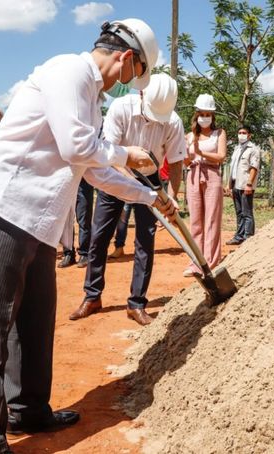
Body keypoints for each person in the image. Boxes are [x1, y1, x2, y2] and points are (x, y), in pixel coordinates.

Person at [0, 19, 178, 454]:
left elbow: (94, 170)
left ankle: (29, 409)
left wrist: (149, 197)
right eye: (138, 74)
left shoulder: (91, 98)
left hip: (37, 223)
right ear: (126, 58)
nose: (134, 83)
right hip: (1, 209)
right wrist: (126, 154)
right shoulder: (67, 71)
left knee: (34, 323)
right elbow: (80, 148)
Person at [69, 73, 185, 326]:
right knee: (100, 237)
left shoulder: (173, 121)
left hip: (153, 183)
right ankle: (92, 296)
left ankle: (137, 303)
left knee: (145, 240)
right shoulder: (120, 108)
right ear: (142, 95)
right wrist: (132, 186)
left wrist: (172, 196)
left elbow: (176, 162)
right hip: (114, 177)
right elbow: (108, 154)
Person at [183, 94, 227, 277]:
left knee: (211, 220)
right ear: (196, 114)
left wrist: (201, 153)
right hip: (193, 174)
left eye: (208, 114)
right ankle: (196, 262)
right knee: (195, 221)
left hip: (212, 175)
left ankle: (211, 261)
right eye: (201, 113)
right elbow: (186, 162)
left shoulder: (220, 133)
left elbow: (221, 156)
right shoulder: (189, 135)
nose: (204, 117)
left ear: (213, 115)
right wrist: (186, 153)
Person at [225, 125, 261, 246]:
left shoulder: (254, 149)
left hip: (246, 185)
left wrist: (249, 184)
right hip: (236, 184)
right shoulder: (237, 149)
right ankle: (239, 236)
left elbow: (254, 167)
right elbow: (232, 168)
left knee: (247, 213)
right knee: (239, 212)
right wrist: (229, 185)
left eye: (244, 132)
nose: (241, 134)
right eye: (239, 132)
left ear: (249, 135)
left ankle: (248, 237)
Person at [58, 178, 95, 268]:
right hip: (66, 184)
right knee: (66, 222)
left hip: (84, 184)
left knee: (84, 221)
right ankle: (68, 254)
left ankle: (84, 254)